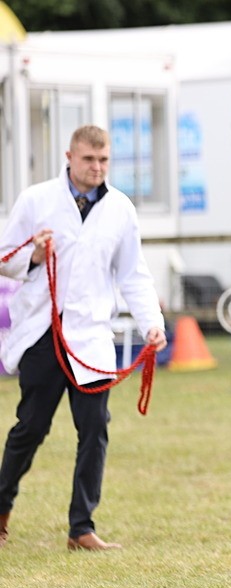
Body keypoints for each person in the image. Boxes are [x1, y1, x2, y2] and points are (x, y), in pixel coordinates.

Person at [0, 125, 166, 551]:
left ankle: (81, 528)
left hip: (91, 337)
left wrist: (152, 321)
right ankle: (1, 510)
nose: (96, 168)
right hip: (43, 331)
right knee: (31, 428)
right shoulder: (36, 199)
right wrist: (33, 254)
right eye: (89, 159)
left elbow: (133, 273)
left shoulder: (121, 209)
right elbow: (4, 255)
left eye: (104, 160)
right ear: (69, 156)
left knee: (95, 428)